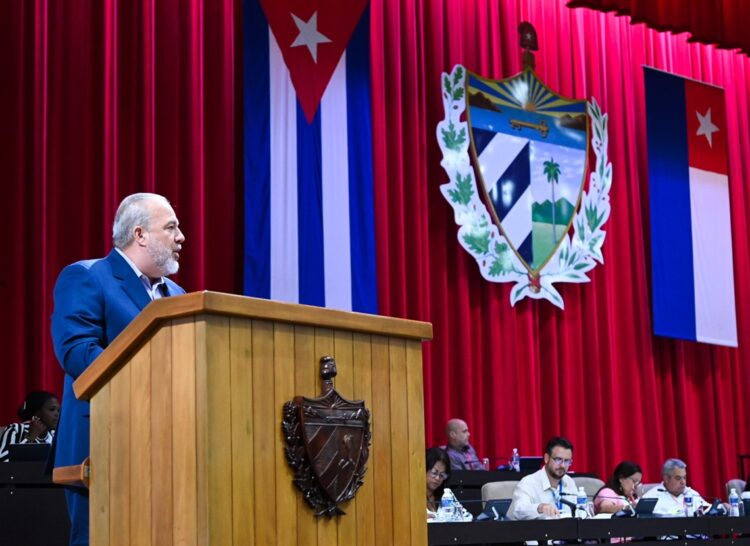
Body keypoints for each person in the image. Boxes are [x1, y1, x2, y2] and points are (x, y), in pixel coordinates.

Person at [51, 193, 186, 545]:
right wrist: (151, 380)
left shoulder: (178, 293)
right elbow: (78, 352)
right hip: (103, 447)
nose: (181, 237)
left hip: (170, 452)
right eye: (170, 227)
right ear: (139, 234)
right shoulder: (87, 277)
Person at [508, 436, 578, 519]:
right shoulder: (528, 483)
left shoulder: (569, 482)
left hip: (567, 531)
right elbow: (518, 510)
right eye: (558, 459)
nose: (562, 465)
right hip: (539, 531)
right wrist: (540, 508)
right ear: (546, 458)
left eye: (567, 461)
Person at [0, 391, 60, 462]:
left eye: (58, 410)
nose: (57, 414)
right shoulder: (16, 429)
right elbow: (2, 460)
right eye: (52, 409)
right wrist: (29, 438)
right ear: (36, 413)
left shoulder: (54, 435)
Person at [641, 458, 710, 516]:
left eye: (684, 477)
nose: (683, 482)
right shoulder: (651, 497)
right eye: (678, 478)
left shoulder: (691, 493)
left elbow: (708, 509)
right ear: (666, 479)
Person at [426, 447, 452, 519]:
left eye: (442, 475)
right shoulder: (413, 497)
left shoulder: (446, 495)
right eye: (434, 473)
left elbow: (464, 517)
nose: (437, 478)